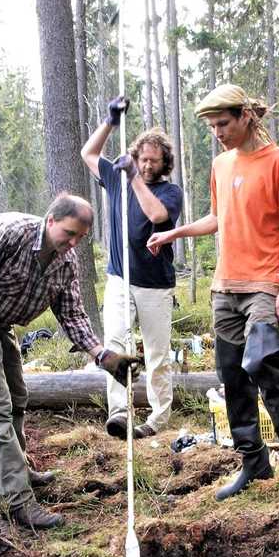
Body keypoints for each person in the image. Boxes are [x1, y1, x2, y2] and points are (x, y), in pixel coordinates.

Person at [148, 84, 279, 502]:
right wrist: (174, 232)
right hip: (225, 286)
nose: (218, 133)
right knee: (231, 375)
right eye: (212, 127)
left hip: (264, 283)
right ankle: (253, 461)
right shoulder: (221, 165)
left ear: (245, 116)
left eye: (223, 124)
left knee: (261, 362)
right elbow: (217, 217)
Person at [0, 193, 139, 530]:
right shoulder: (8, 231)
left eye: (80, 238)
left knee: (17, 398)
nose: (72, 243)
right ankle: (16, 502)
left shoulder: (66, 262)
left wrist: (104, 357)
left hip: (0, 323)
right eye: (69, 233)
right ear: (51, 220)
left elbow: (72, 316)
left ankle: (20, 471)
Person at [81, 96, 183, 440]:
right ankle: (120, 412)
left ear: (163, 163)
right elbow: (89, 154)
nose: (148, 164)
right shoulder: (116, 177)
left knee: (156, 354)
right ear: (135, 155)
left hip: (155, 285)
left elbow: (156, 216)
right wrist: (110, 121)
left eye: (155, 160)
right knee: (115, 343)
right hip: (119, 278)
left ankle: (157, 419)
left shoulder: (170, 192)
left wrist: (135, 177)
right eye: (143, 158)